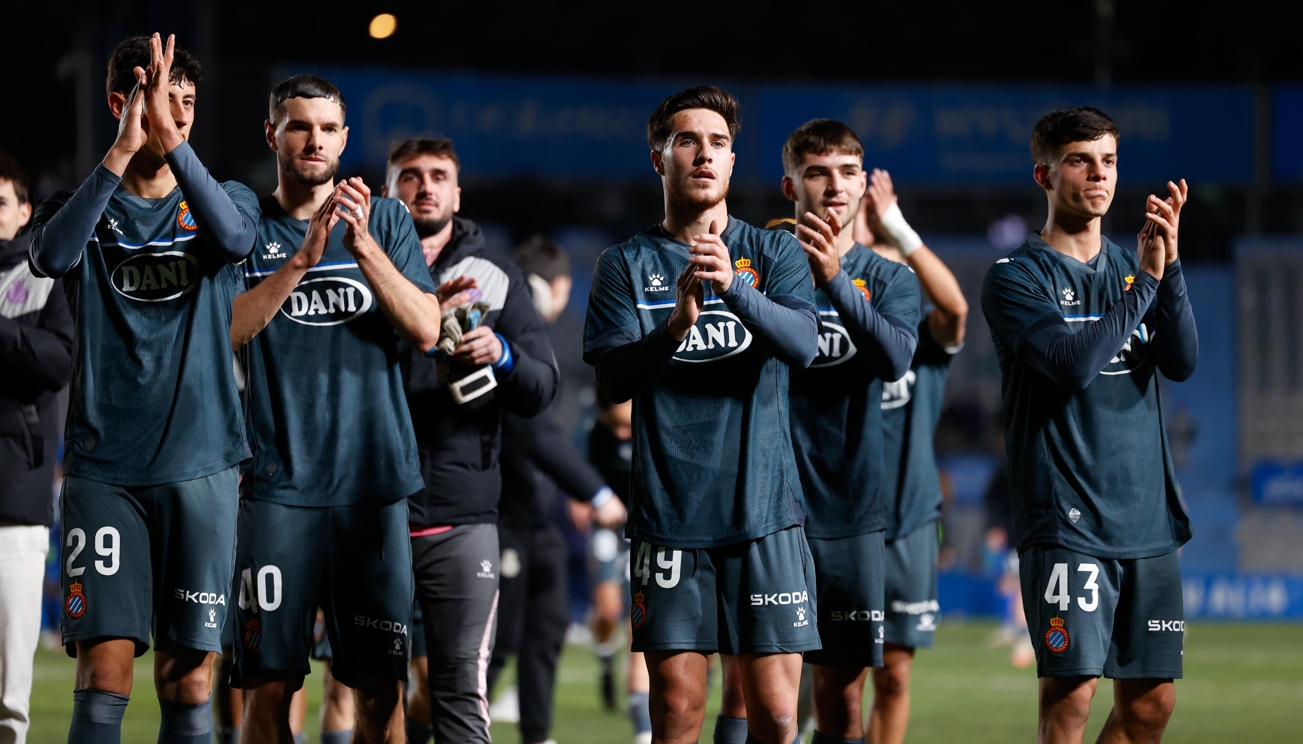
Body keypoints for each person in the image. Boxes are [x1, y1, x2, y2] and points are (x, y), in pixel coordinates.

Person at [28, 33, 258, 744]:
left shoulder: (226, 200)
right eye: (158, 100)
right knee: (104, 673)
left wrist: (171, 143)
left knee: (189, 680)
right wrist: (124, 150)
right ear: (116, 103)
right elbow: (49, 257)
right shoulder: (80, 207)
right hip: (106, 471)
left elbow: (236, 243)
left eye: (185, 103)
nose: (174, 115)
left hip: (201, 466)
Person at [583, 86, 820, 744]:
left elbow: (803, 345)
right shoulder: (624, 265)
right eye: (686, 141)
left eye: (718, 143)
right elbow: (613, 382)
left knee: (776, 715)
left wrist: (734, 289)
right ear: (659, 159)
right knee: (677, 713)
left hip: (764, 515)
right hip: (670, 518)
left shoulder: (772, 254)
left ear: (733, 161)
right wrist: (674, 328)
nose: (704, 154)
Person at [228, 74, 441, 744]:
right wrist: (301, 260)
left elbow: (426, 328)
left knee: (379, 690)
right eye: (298, 126)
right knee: (267, 688)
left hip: (371, 489)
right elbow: (223, 331)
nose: (314, 140)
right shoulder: (244, 228)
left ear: (345, 140)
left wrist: (363, 248)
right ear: (273, 134)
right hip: (276, 488)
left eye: (327, 129)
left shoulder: (387, 220)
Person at [980, 106, 1197, 744]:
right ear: (1044, 174)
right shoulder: (1016, 277)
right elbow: (1073, 365)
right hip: (1068, 519)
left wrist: (1169, 267)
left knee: (1152, 704)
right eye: (1080, 161)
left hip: (1147, 520)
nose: (1099, 174)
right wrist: (1146, 284)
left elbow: (1182, 362)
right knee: (1071, 698)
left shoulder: (1135, 267)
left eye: (1108, 161)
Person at [718, 120, 921, 744]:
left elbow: (894, 359)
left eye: (848, 172)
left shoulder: (890, 280)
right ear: (790, 186)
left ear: (863, 184)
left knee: (841, 697)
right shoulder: (755, 268)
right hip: (762, 509)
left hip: (849, 512)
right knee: (748, 692)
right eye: (817, 173)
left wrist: (834, 278)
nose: (835, 186)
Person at [383, 135, 560, 744]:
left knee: (460, 686)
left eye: (439, 176)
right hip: (370, 508)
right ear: (388, 190)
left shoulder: (496, 278)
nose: (425, 187)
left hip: (459, 514)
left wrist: (503, 354)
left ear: (457, 194)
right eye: (410, 175)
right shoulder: (358, 267)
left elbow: (542, 387)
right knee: (371, 690)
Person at [487, 236, 626, 744]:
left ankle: (537, 736)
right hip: (503, 513)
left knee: (546, 632)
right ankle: (454, 731)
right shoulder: (510, 336)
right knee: (498, 642)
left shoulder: (537, 337)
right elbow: (535, 433)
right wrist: (595, 492)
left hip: (541, 514)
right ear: (560, 287)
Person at [857, 168, 968, 744]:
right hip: (839, 520)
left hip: (909, 523)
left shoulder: (923, 342)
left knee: (895, 674)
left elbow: (956, 307)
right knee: (829, 674)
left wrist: (897, 227)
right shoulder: (828, 334)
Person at [1, 152, 73, 744]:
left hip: (13, 502)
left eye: (0, 203)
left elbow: (58, 360)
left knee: (8, 699)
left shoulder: (43, 275)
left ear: (25, 212)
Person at [585, 392, 653, 744]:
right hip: (607, 529)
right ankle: (604, 657)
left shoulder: (652, 422)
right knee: (608, 611)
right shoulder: (593, 432)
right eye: (617, 427)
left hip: (643, 532)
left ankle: (642, 725)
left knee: (637, 620)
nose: (624, 434)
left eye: (627, 426)